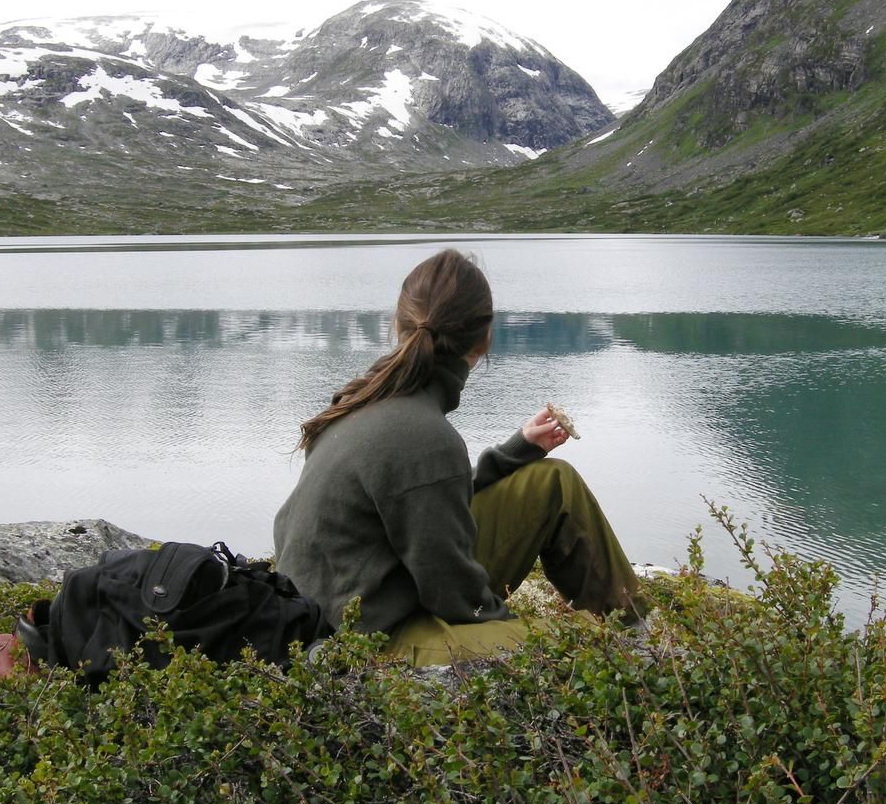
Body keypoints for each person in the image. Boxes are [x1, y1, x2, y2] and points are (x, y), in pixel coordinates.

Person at [272, 248, 643, 666]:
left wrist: (514, 452)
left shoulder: (370, 400)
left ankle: (636, 632)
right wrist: (505, 626)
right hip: (362, 640)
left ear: (399, 325)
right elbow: (451, 590)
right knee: (578, 644)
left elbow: (425, 502)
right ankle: (633, 651)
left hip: (347, 600)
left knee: (553, 482)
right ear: (484, 338)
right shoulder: (424, 435)